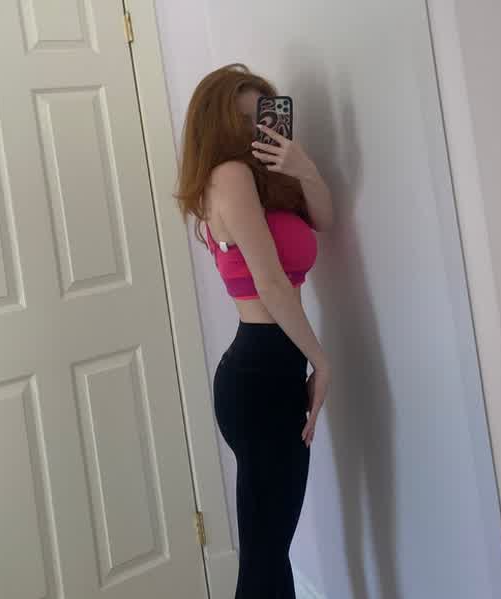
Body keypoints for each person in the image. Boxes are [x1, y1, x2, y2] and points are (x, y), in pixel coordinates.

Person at [175, 64, 333, 598]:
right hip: (261, 376)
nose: (254, 132)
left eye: (260, 117)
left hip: (268, 373)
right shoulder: (229, 177)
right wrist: (322, 361)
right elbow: (270, 282)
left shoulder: (257, 180)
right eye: (241, 121)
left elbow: (326, 219)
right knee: (265, 559)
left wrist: (304, 168)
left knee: (269, 551)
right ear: (216, 124)